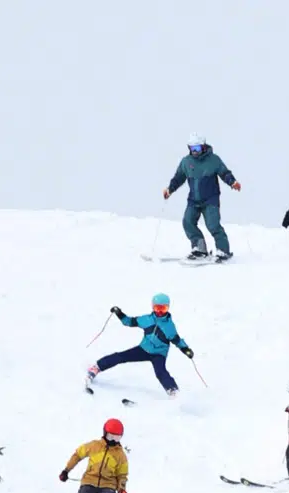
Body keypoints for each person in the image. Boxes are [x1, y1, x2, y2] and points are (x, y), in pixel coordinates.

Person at [87, 293, 193, 398]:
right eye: (157, 308)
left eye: (163, 309)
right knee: (120, 356)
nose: (160, 312)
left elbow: (177, 340)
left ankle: (173, 391)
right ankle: (97, 367)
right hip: (143, 349)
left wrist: (185, 349)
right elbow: (129, 322)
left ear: (168, 308)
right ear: (153, 307)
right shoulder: (146, 319)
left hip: (159, 354)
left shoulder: (169, 326)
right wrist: (119, 313)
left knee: (161, 372)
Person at [163, 134, 241, 262]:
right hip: (194, 200)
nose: (195, 151)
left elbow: (224, 172)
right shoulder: (186, 162)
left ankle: (223, 251)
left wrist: (232, 182)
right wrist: (169, 189)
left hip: (210, 199)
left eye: (197, 148)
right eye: (192, 148)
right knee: (187, 222)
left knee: (213, 225)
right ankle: (200, 249)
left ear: (204, 147)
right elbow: (178, 178)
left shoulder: (214, 160)